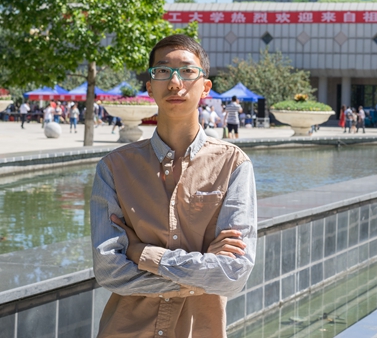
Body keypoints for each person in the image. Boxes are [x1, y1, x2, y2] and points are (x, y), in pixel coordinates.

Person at [90, 34, 257, 337]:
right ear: (149, 86)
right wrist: (201, 275)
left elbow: (233, 275)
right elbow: (109, 271)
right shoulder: (114, 168)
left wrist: (142, 254)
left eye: (188, 71)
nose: (175, 83)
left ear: (205, 86)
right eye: (163, 71)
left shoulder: (233, 164)